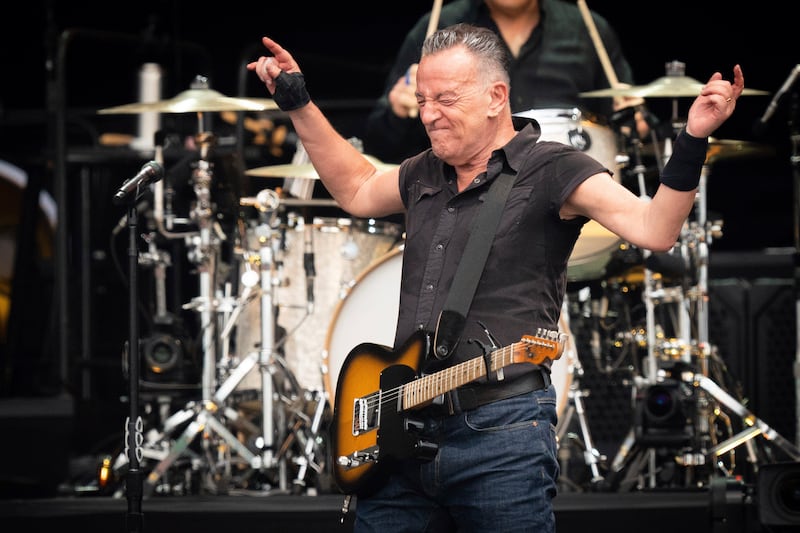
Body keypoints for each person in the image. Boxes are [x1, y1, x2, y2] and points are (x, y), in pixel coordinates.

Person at [247, 23, 743, 533]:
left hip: (502, 433)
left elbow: (655, 229)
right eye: (422, 100)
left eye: (446, 99)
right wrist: (298, 103)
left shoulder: (555, 169)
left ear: (496, 97)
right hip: (402, 431)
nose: (429, 114)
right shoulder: (422, 172)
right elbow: (355, 187)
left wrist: (693, 137)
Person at [363, 0, 643, 164]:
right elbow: (379, 145)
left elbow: (632, 129)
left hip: (575, 207)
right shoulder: (437, 28)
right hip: (461, 207)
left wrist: (636, 122)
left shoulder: (588, 28)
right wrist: (398, 112)